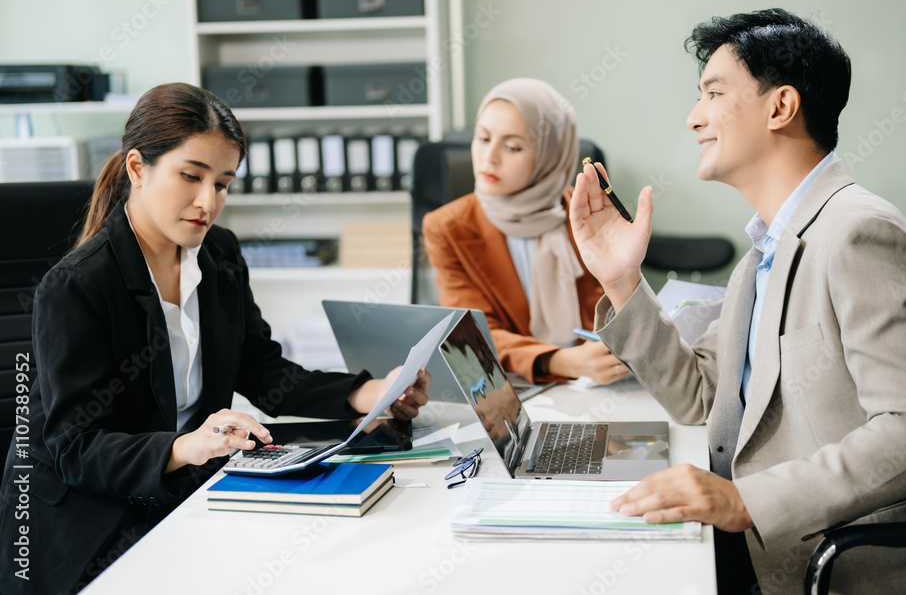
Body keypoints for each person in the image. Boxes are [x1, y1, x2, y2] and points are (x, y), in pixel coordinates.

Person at [569, 9, 906, 594]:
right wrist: (621, 281)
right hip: (778, 559)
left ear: (780, 107)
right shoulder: (763, 255)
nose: (694, 117)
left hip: (855, 573)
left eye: (714, 93)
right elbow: (701, 397)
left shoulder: (859, 233)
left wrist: (745, 500)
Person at [0, 83, 430, 594]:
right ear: (137, 168)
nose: (208, 201)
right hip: (88, 524)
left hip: (187, 492)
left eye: (223, 183)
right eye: (191, 176)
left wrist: (368, 393)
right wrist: (185, 446)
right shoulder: (77, 286)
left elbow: (260, 367)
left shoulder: (218, 253)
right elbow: (75, 448)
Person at [423, 77, 625, 385]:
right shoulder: (446, 228)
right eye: (483, 138)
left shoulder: (588, 214)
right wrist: (564, 361)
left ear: (550, 155)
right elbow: (473, 334)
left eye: (513, 147)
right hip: (516, 386)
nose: (489, 157)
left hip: (598, 385)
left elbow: (615, 311)